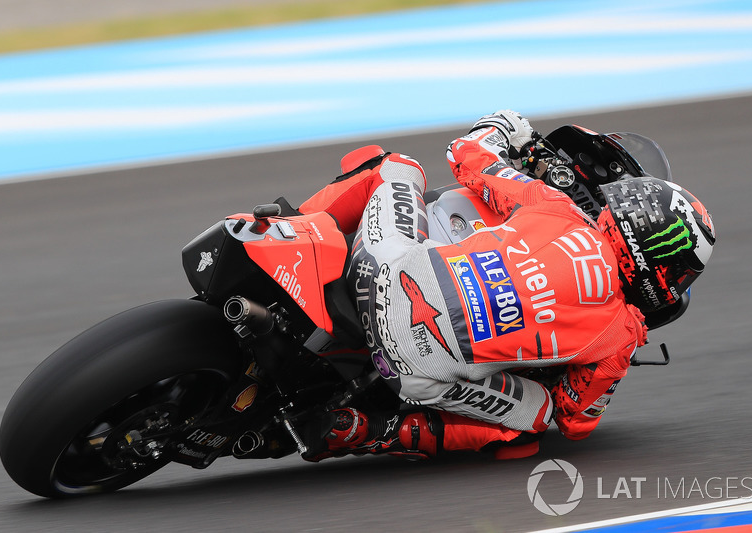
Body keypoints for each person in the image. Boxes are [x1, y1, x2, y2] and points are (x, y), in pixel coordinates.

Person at [296, 110, 716, 461]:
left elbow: (465, 155)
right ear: (664, 273)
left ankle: (296, 230)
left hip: (379, 272)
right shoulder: (620, 335)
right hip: (413, 372)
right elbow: (573, 422)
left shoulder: (558, 209)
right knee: (535, 419)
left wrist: (503, 127)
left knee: (395, 166)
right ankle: (373, 430)